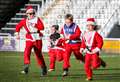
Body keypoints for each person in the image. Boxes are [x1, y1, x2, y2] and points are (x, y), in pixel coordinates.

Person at [15, 6, 47, 76]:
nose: (31, 15)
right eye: (30, 13)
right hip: (29, 37)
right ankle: (26, 64)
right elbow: (18, 27)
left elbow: (42, 28)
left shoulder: (37, 19)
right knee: (27, 50)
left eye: (33, 13)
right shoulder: (24, 21)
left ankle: (43, 68)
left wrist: (34, 25)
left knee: (38, 55)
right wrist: (17, 34)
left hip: (37, 37)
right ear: (27, 14)